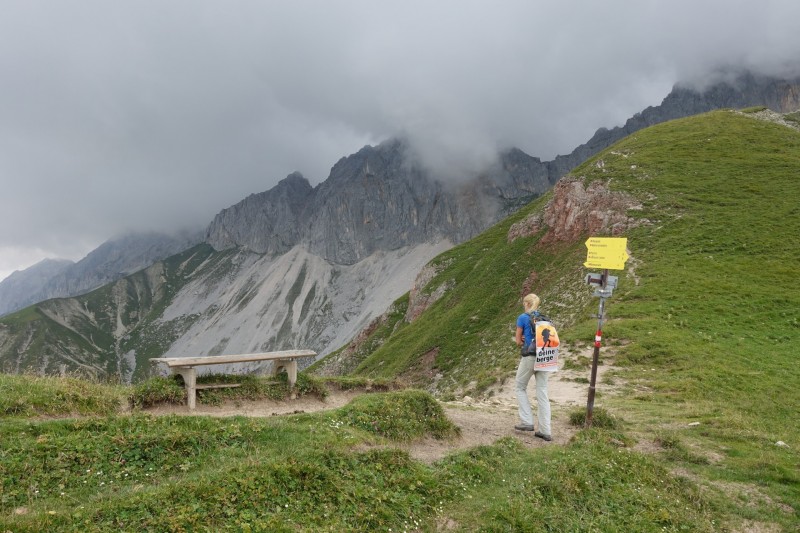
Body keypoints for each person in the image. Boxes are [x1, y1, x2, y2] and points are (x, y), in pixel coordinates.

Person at [514, 293, 552, 441]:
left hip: (530, 356)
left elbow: (518, 341)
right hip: (545, 356)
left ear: (527, 304)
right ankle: (545, 430)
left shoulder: (523, 317)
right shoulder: (544, 318)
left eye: (524, 303)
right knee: (542, 391)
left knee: (520, 386)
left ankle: (527, 421)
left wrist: (523, 339)